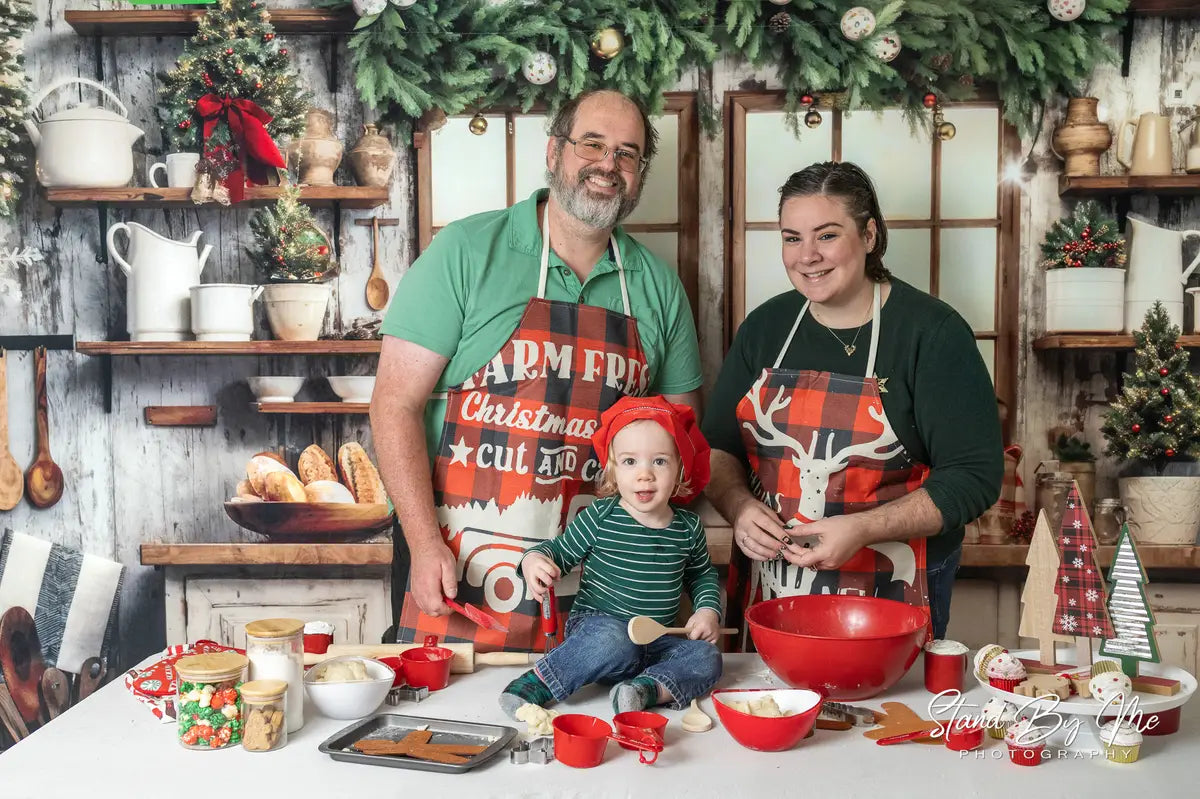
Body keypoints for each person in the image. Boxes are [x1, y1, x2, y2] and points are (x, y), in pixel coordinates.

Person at [372, 89, 703, 651]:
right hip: (466, 560)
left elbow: (685, 443)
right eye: (592, 144)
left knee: (595, 723)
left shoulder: (657, 285)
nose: (608, 164)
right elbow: (393, 405)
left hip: (608, 581)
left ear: (640, 173)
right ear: (554, 152)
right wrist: (425, 545)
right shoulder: (466, 252)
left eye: (627, 153)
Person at [701, 161, 1002, 640]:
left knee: (893, 714)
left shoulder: (932, 333)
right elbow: (716, 450)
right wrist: (739, 508)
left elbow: (974, 477)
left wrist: (863, 528)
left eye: (826, 235)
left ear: (869, 235)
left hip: (892, 588)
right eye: (791, 237)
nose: (807, 256)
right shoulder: (765, 329)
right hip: (772, 586)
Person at [499, 395, 722, 718]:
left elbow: (702, 576)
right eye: (630, 462)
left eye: (659, 461)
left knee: (707, 656)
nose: (644, 474)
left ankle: (644, 689)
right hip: (599, 631)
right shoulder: (601, 516)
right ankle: (541, 681)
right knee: (613, 639)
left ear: (680, 467)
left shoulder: (688, 527)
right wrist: (534, 561)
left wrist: (706, 611)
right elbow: (557, 552)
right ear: (613, 471)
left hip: (656, 641)